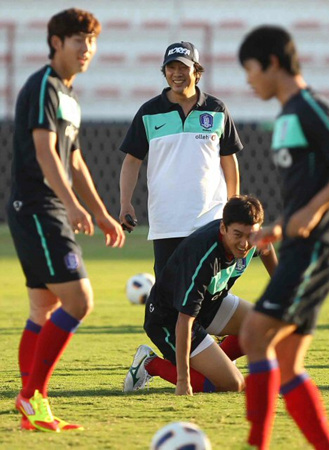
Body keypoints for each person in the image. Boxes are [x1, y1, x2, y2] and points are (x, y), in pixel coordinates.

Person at [6, 8, 125, 433]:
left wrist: (101, 212)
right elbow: (45, 152)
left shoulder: (69, 95)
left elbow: (74, 159)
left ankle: (33, 411)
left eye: (91, 41)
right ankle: (31, 395)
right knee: (80, 302)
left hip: (47, 206)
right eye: (79, 40)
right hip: (39, 207)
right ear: (57, 43)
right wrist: (72, 205)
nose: (87, 49)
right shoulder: (44, 86)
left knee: (43, 308)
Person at [237, 25, 329, 450]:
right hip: (299, 244)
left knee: (253, 335)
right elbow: (307, 185)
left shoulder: (307, 106)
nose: (248, 80)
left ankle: (256, 445)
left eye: (250, 69)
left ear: (270, 63)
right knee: (286, 362)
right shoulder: (286, 114)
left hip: (318, 249)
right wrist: (283, 224)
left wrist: (313, 211)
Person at [123, 195, 277, 395]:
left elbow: (266, 248)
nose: (244, 243)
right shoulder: (204, 255)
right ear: (223, 228)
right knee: (232, 384)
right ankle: (150, 363)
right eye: (237, 235)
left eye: (250, 236)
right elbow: (184, 320)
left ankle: (216, 360)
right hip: (169, 319)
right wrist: (183, 380)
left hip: (210, 304)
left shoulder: (253, 236)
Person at [119, 41, 243, 278]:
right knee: (167, 293)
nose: (177, 74)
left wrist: (233, 204)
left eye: (183, 67)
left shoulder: (217, 109)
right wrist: (126, 203)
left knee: (207, 291)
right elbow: (132, 160)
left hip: (211, 219)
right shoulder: (149, 111)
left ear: (196, 71)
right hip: (167, 221)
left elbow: (229, 160)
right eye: (171, 67)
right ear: (164, 72)